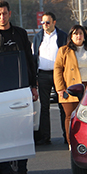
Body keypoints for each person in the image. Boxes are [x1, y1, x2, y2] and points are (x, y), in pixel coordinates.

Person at [0, 0, 39, 174]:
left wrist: (33, 85)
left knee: (21, 132)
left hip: (20, 91)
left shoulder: (20, 34)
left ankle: (22, 172)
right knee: (2, 134)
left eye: (5, 13)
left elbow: (30, 61)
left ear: (10, 14)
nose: (2, 17)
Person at [54, 25, 87, 142]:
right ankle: (71, 142)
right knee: (70, 116)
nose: (78, 36)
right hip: (71, 88)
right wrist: (60, 88)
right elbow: (58, 69)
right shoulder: (63, 50)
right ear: (71, 36)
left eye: (80, 34)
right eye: (75, 34)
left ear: (85, 36)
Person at [31, 12, 68, 145]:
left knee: (62, 106)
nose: (45, 25)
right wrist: (34, 77)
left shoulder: (62, 36)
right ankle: (45, 137)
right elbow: (35, 57)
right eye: (43, 23)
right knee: (44, 107)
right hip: (42, 75)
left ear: (54, 22)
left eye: (47, 22)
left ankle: (67, 136)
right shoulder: (38, 37)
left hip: (59, 75)